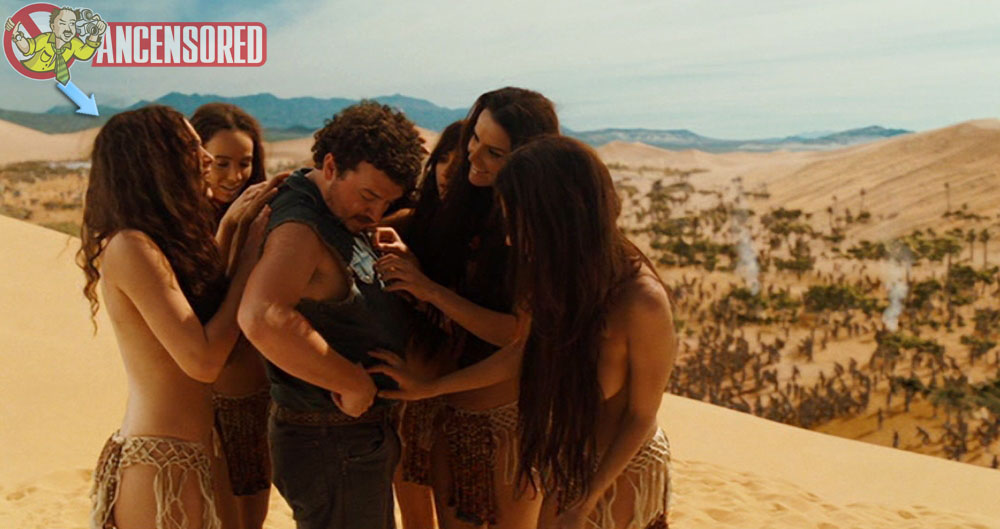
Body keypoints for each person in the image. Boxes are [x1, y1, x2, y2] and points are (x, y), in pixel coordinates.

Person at [375, 136, 677, 529]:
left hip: (622, 474)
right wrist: (431, 388)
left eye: (519, 222)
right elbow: (525, 353)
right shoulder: (552, 277)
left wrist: (585, 501)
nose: (509, 238)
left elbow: (640, 415)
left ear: (558, 217)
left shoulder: (641, 302)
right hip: (565, 466)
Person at [371, 87, 559, 529]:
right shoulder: (459, 208)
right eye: (474, 138)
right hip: (447, 411)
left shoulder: (535, 230)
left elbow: (517, 336)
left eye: (494, 152)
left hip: (510, 421)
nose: (473, 156)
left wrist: (430, 290)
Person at [80, 105, 274, 529]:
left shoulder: (159, 244)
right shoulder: (130, 246)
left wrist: (231, 230)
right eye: (191, 147)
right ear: (155, 159)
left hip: (198, 452)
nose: (205, 158)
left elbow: (204, 311)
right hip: (161, 462)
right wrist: (248, 261)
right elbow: (202, 360)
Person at [236, 101, 425, 529]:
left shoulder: (330, 211)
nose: (375, 212)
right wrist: (349, 381)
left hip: (347, 443)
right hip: (331, 442)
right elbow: (262, 316)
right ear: (331, 166)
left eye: (387, 202)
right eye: (369, 196)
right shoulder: (302, 228)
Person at [191, 102, 273, 529]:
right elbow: (200, 309)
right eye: (221, 163)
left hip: (260, 399)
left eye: (245, 163)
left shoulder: (265, 219)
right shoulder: (181, 227)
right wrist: (229, 233)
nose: (235, 176)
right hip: (202, 406)